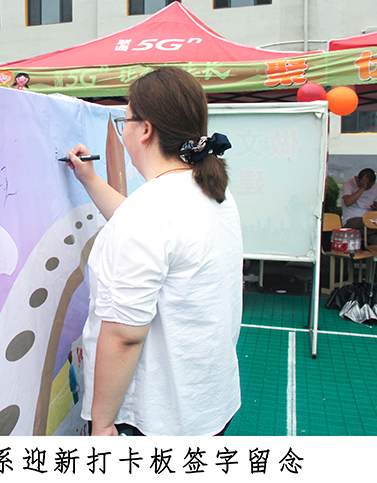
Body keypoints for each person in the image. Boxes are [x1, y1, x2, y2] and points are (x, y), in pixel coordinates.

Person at [64, 66, 243, 436]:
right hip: (206, 400)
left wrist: (102, 423)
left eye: (125, 120)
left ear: (145, 130)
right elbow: (147, 231)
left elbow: (124, 335)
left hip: (154, 418)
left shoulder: (149, 212)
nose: (123, 130)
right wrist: (90, 179)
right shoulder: (210, 191)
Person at [340, 168, 377, 245]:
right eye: (368, 185)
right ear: (357, 179)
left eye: (371, 185)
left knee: (375, 239)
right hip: (352, 220)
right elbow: (348, 202)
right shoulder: (349, 184)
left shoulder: (375, 186)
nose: (369, 187)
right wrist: (362, 188)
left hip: (371, 221)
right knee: (369, 223)